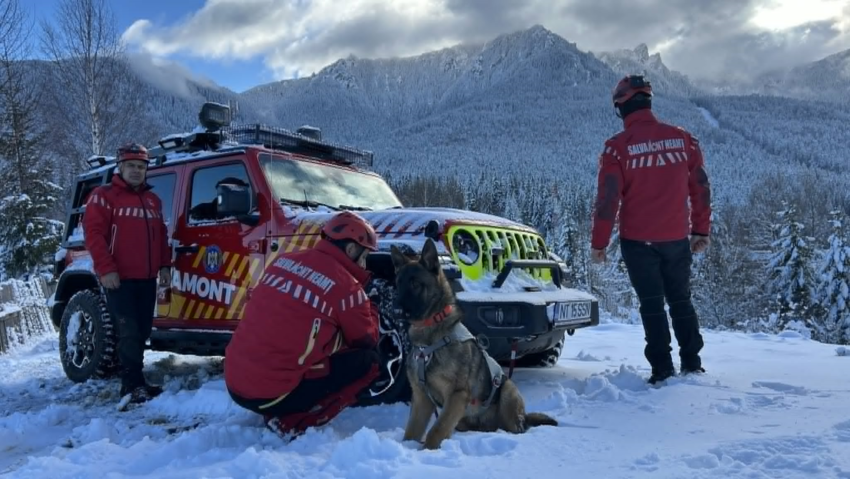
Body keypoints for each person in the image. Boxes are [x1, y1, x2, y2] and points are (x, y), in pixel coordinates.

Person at [589, 74, 712, 385]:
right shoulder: (684, 140)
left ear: (621, 107)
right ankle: (692, 364)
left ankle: (661, 369)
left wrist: (599, 242)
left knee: (652, 304)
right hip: (676, 238)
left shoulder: (617, 148)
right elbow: (700, 188)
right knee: (681, 300)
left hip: (638, 241)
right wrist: (701, 230)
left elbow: (608, 199)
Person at [224, 210, 382, 439]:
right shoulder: (346, 286)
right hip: (272, 394)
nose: (365, 263)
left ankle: (279, 398)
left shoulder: (284, 261)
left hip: (234, 382)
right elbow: (368, 337)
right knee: (370, 362)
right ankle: (292, 422)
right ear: (350, 250)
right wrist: (372, 305)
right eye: (364, 256)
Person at [83, 142, 172, 402]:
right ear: (119, 167)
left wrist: (164, 266)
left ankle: (137, 381)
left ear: (147, 170)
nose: (136, 171)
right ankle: (130, 386)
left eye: (140, 166)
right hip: (118, 279)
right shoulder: (104, 195)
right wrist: (106, 269)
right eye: (130, 166)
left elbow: (161, 236)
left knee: (143, 330)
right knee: (129, 330)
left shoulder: (153, 200)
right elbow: (94, 235)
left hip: (147, 278)